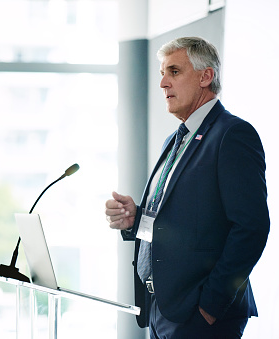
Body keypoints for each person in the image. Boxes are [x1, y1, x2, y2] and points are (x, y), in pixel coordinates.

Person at [105, 37, 269, 338]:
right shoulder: (174, 140)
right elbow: (178, 222)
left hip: (200, 316)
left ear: (205, 77)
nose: (163, 83)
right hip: (160, 307)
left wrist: (211, 305)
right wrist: (136, 219)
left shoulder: (233, 135)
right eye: (162, 73)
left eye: (175, 72)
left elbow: (252, 228)